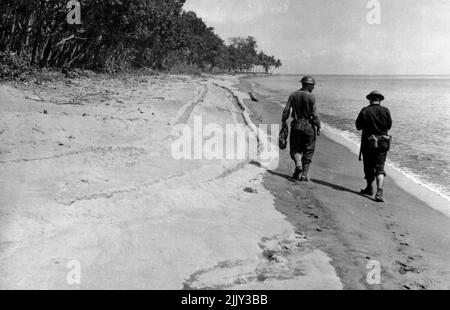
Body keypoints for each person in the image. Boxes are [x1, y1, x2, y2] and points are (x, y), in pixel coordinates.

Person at [282, 76, 321, 182]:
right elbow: (315, 114)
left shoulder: (293, 95)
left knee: (295, 148)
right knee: (308, 150)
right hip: (308, 126)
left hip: (296, 125)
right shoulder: (311, 97)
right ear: (308, 85)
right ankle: (304, 175)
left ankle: (298, 165)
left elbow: (286, 110)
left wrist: (283, 122)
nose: (313, 87)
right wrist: (319, 126)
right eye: (313, 85)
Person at [356, 90, 393, 202]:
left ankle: (369, 188)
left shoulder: (365, 110)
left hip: (368, 142)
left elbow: (358, 126)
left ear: (370, 99)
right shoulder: (385, 110)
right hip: (382, 142)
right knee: (380, 168)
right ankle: (379, 192)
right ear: (380, 100)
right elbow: (389, 126)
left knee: (368, 166)